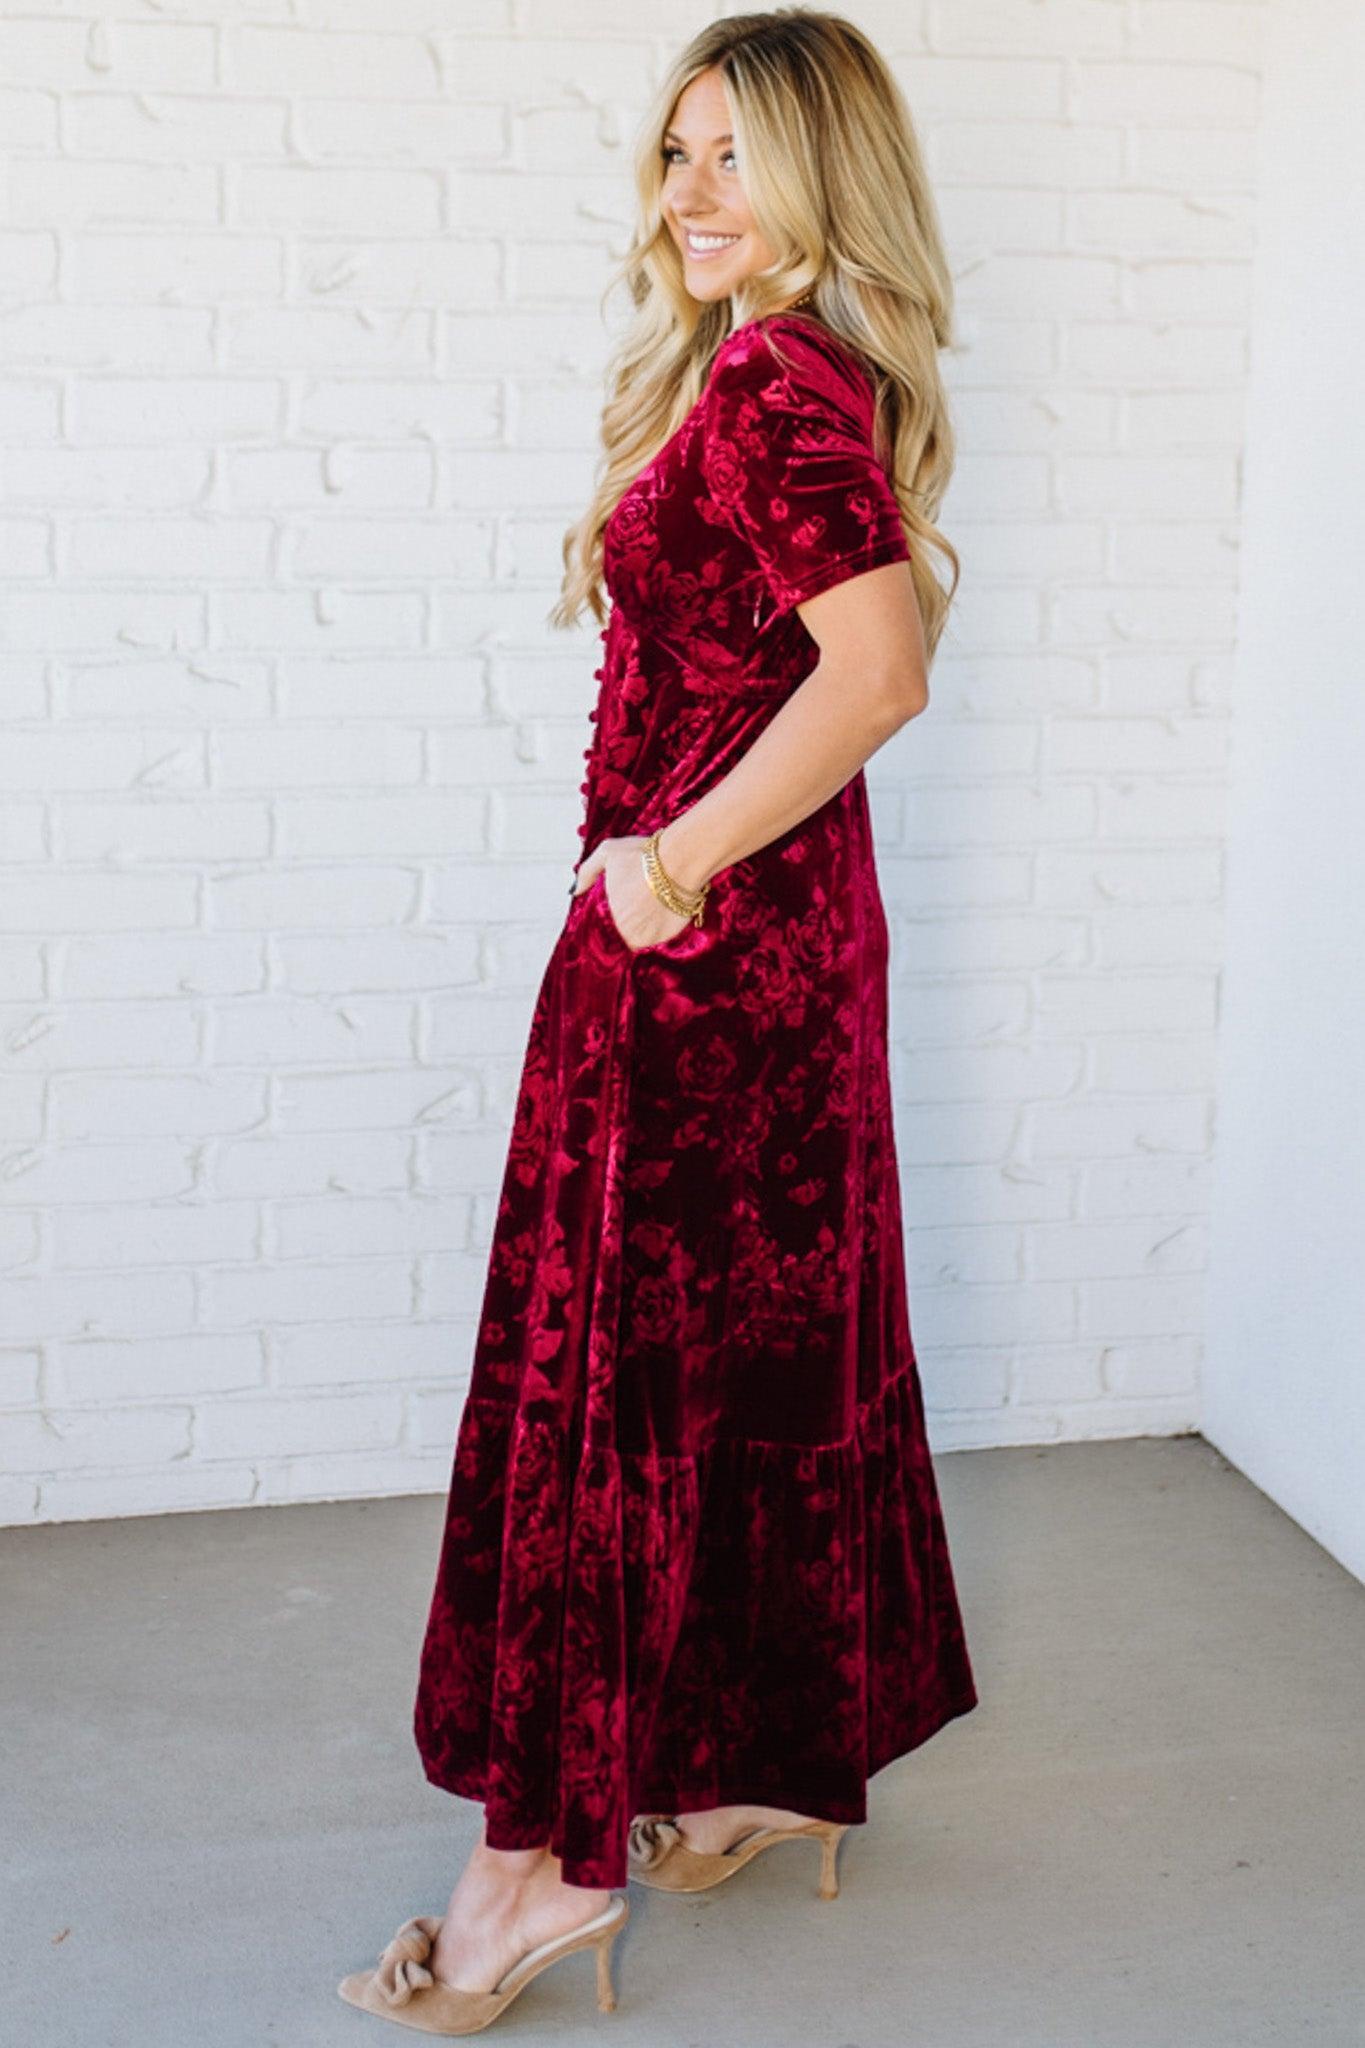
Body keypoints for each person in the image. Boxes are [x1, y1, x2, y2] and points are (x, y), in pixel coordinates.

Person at [338, 9, 977, 2034]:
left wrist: (671, 860)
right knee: (742, 1363)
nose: (689, 198)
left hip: (709, 955)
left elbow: (874, 674)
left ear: (817, 178)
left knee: (605, 1385)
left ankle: (529, 1873)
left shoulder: (783, 375)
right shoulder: (779, 361)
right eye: (675, 154)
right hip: (777, 950)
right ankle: (746, 1764)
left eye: (733, 161)